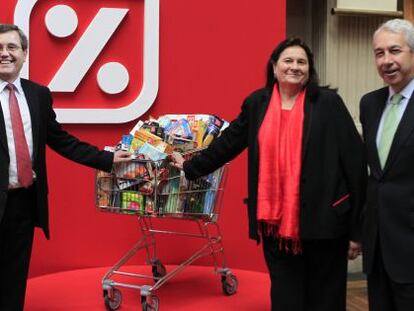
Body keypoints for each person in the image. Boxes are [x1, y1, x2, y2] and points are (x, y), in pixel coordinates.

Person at [170, 37, 366, 311]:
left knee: (325, 300)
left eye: (301, 62)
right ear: (274, 67)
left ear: (310, 69)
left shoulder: (329, 103)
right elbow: (229, 143)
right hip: (276, 225)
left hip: (326, 223)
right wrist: (191, 167)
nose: (295, 67)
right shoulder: (257, 103)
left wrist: (358, 230)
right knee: (286, 299)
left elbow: (355, 164)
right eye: (288, 60)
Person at [0, 24, 131, 311]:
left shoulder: (38, 95)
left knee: (13, 277)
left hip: (23, 199)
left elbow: (61, 140)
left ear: (24, 54)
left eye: (12, 47)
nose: (5, 54)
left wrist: (107, 160)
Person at [360, 18, 414, 311]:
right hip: (378, 247)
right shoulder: (370, 103)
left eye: (395, 50)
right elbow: (374, 176)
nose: (386, 60)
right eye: (379, 53)